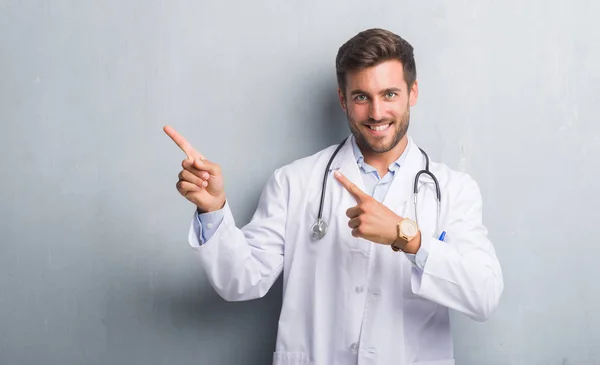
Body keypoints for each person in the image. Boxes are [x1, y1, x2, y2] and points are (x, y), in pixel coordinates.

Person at [164, 28, 503, 365]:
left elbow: (483, 295)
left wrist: (408, 238)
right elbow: (240, 281)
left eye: (389, 94)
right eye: (361, 97)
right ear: (343, 99)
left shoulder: (453, 190)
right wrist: (213, 211)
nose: (376, 113)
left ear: (412, 93)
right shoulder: (294, 182)